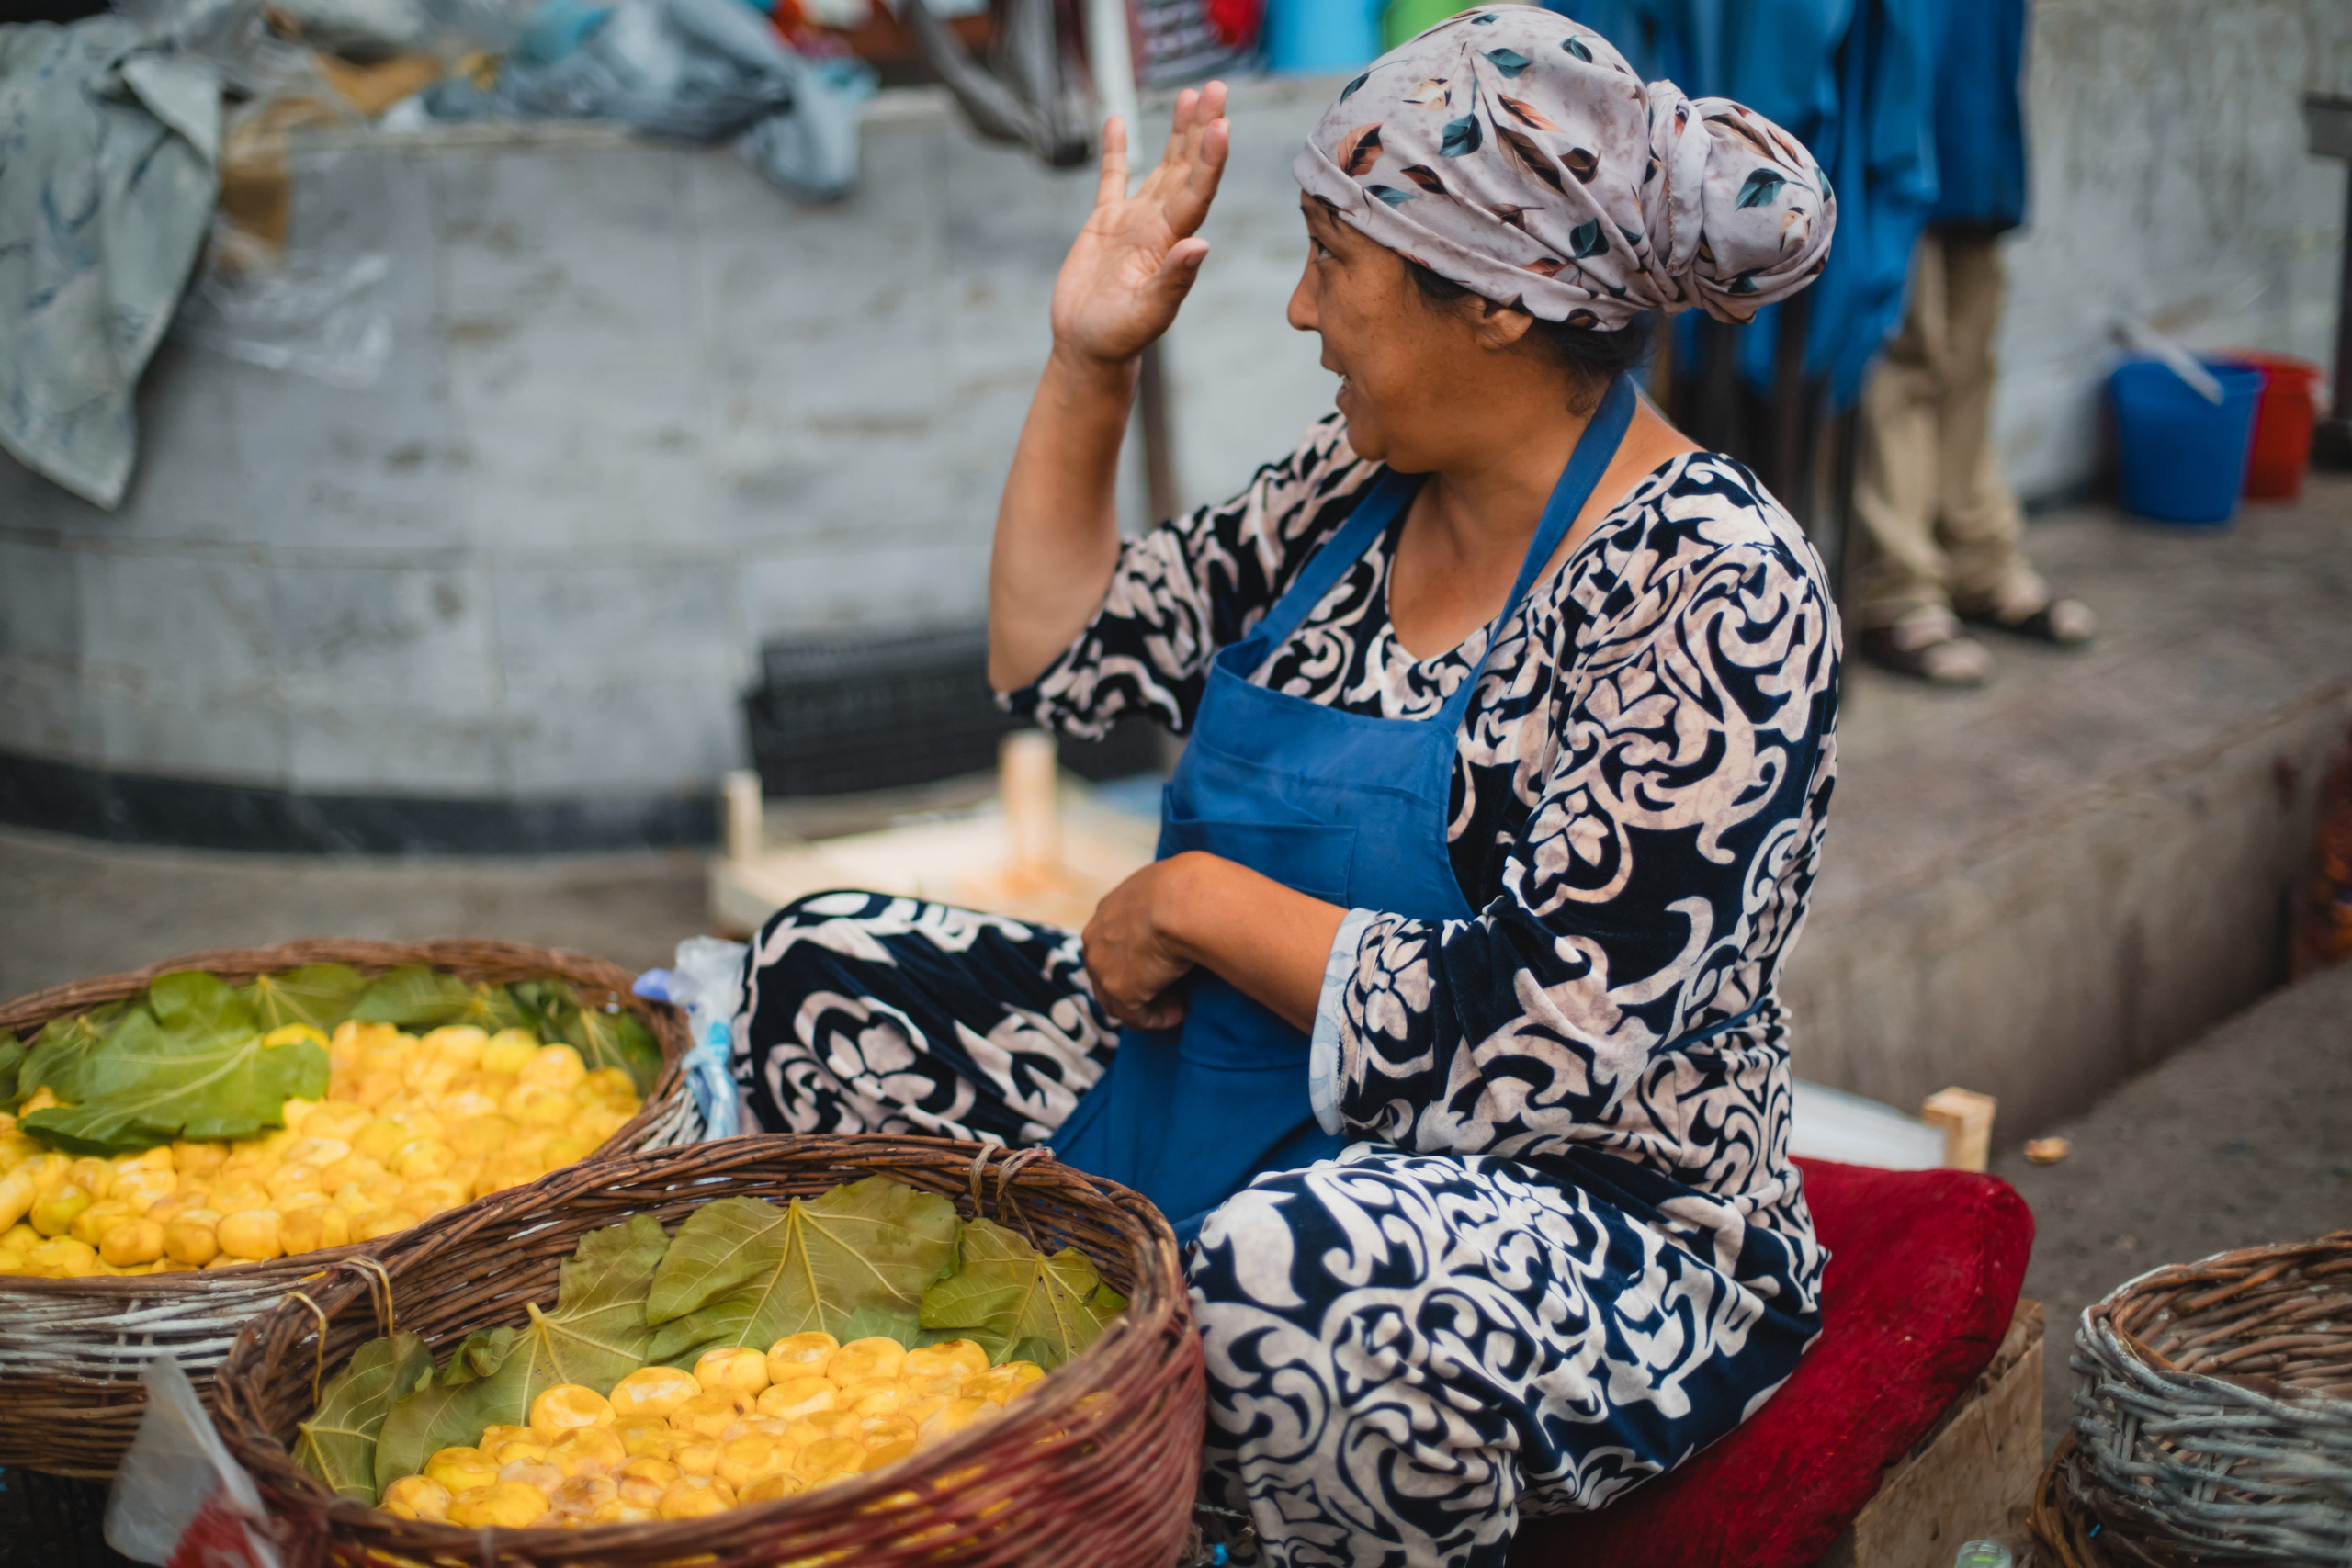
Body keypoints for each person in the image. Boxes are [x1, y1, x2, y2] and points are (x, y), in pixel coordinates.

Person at [734, 10, 1840, 1561]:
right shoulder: (1359, 485)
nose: (1302, 309)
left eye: (1336, 258)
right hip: (1238, 1089)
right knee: (820, 973)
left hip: (1590, 1213)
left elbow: (1548, 1052)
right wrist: (1089, 361)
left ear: (1502, 304)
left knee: (1288, 1266)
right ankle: (954, 1451)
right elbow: (1063, 661)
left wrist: (1197, 901)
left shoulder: (1713, 591)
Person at [1851, 0, 2094, 685]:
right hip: (1903, 98)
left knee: (1972, 348)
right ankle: (1896, 586)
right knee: (1905, 350)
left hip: (1977, 101)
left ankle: (1978, 558)